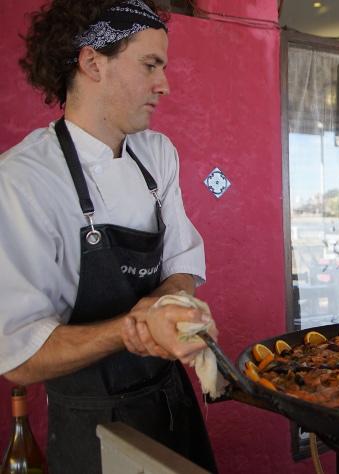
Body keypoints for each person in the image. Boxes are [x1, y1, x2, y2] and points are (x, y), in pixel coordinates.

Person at [0, 1, 217, 472]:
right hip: (93, 431)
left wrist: (168, 307)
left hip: (171, 406)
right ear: (92, 61)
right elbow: (18, 354)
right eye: (149, 65)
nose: (165, 84)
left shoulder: (157, 155)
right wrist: (133, 328)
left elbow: (182, 262)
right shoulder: (24, 180)